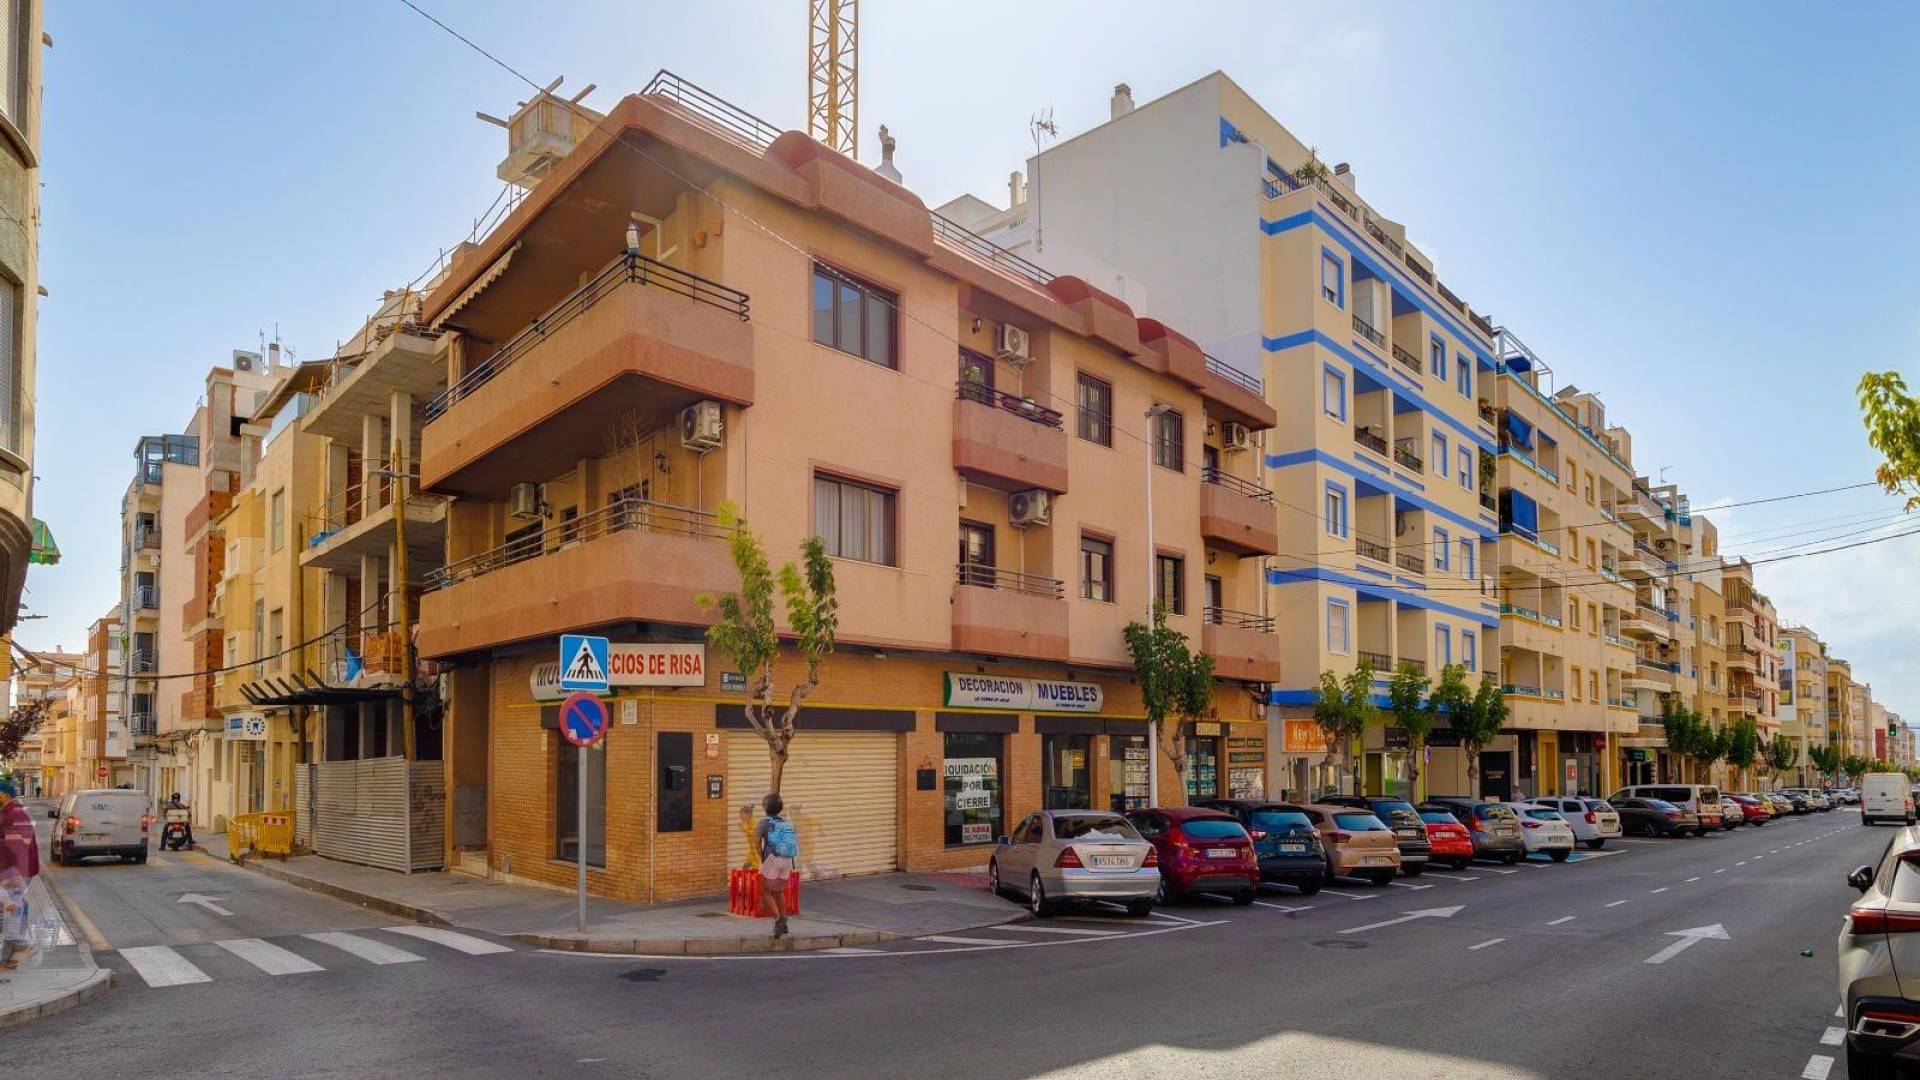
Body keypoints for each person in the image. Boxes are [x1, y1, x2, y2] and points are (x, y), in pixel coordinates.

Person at [0, 780, 40, 970]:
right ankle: (8, 960)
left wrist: (15, 873)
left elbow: (17, 847)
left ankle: (22, 945)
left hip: (14, 872)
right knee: (10, 913)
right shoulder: (9, 812)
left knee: (10, 913)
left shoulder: (13, 814)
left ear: (5, 794)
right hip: (12, 871)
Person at [753, 793, 798, 939]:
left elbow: (756, 842)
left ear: (765, 807)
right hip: (787, 859)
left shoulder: (763, 823)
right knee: (779, 891)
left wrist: (761, 857)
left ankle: (778, 920)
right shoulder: (787, 822)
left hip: (772, 859)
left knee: (765, 891)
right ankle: (784, 923)